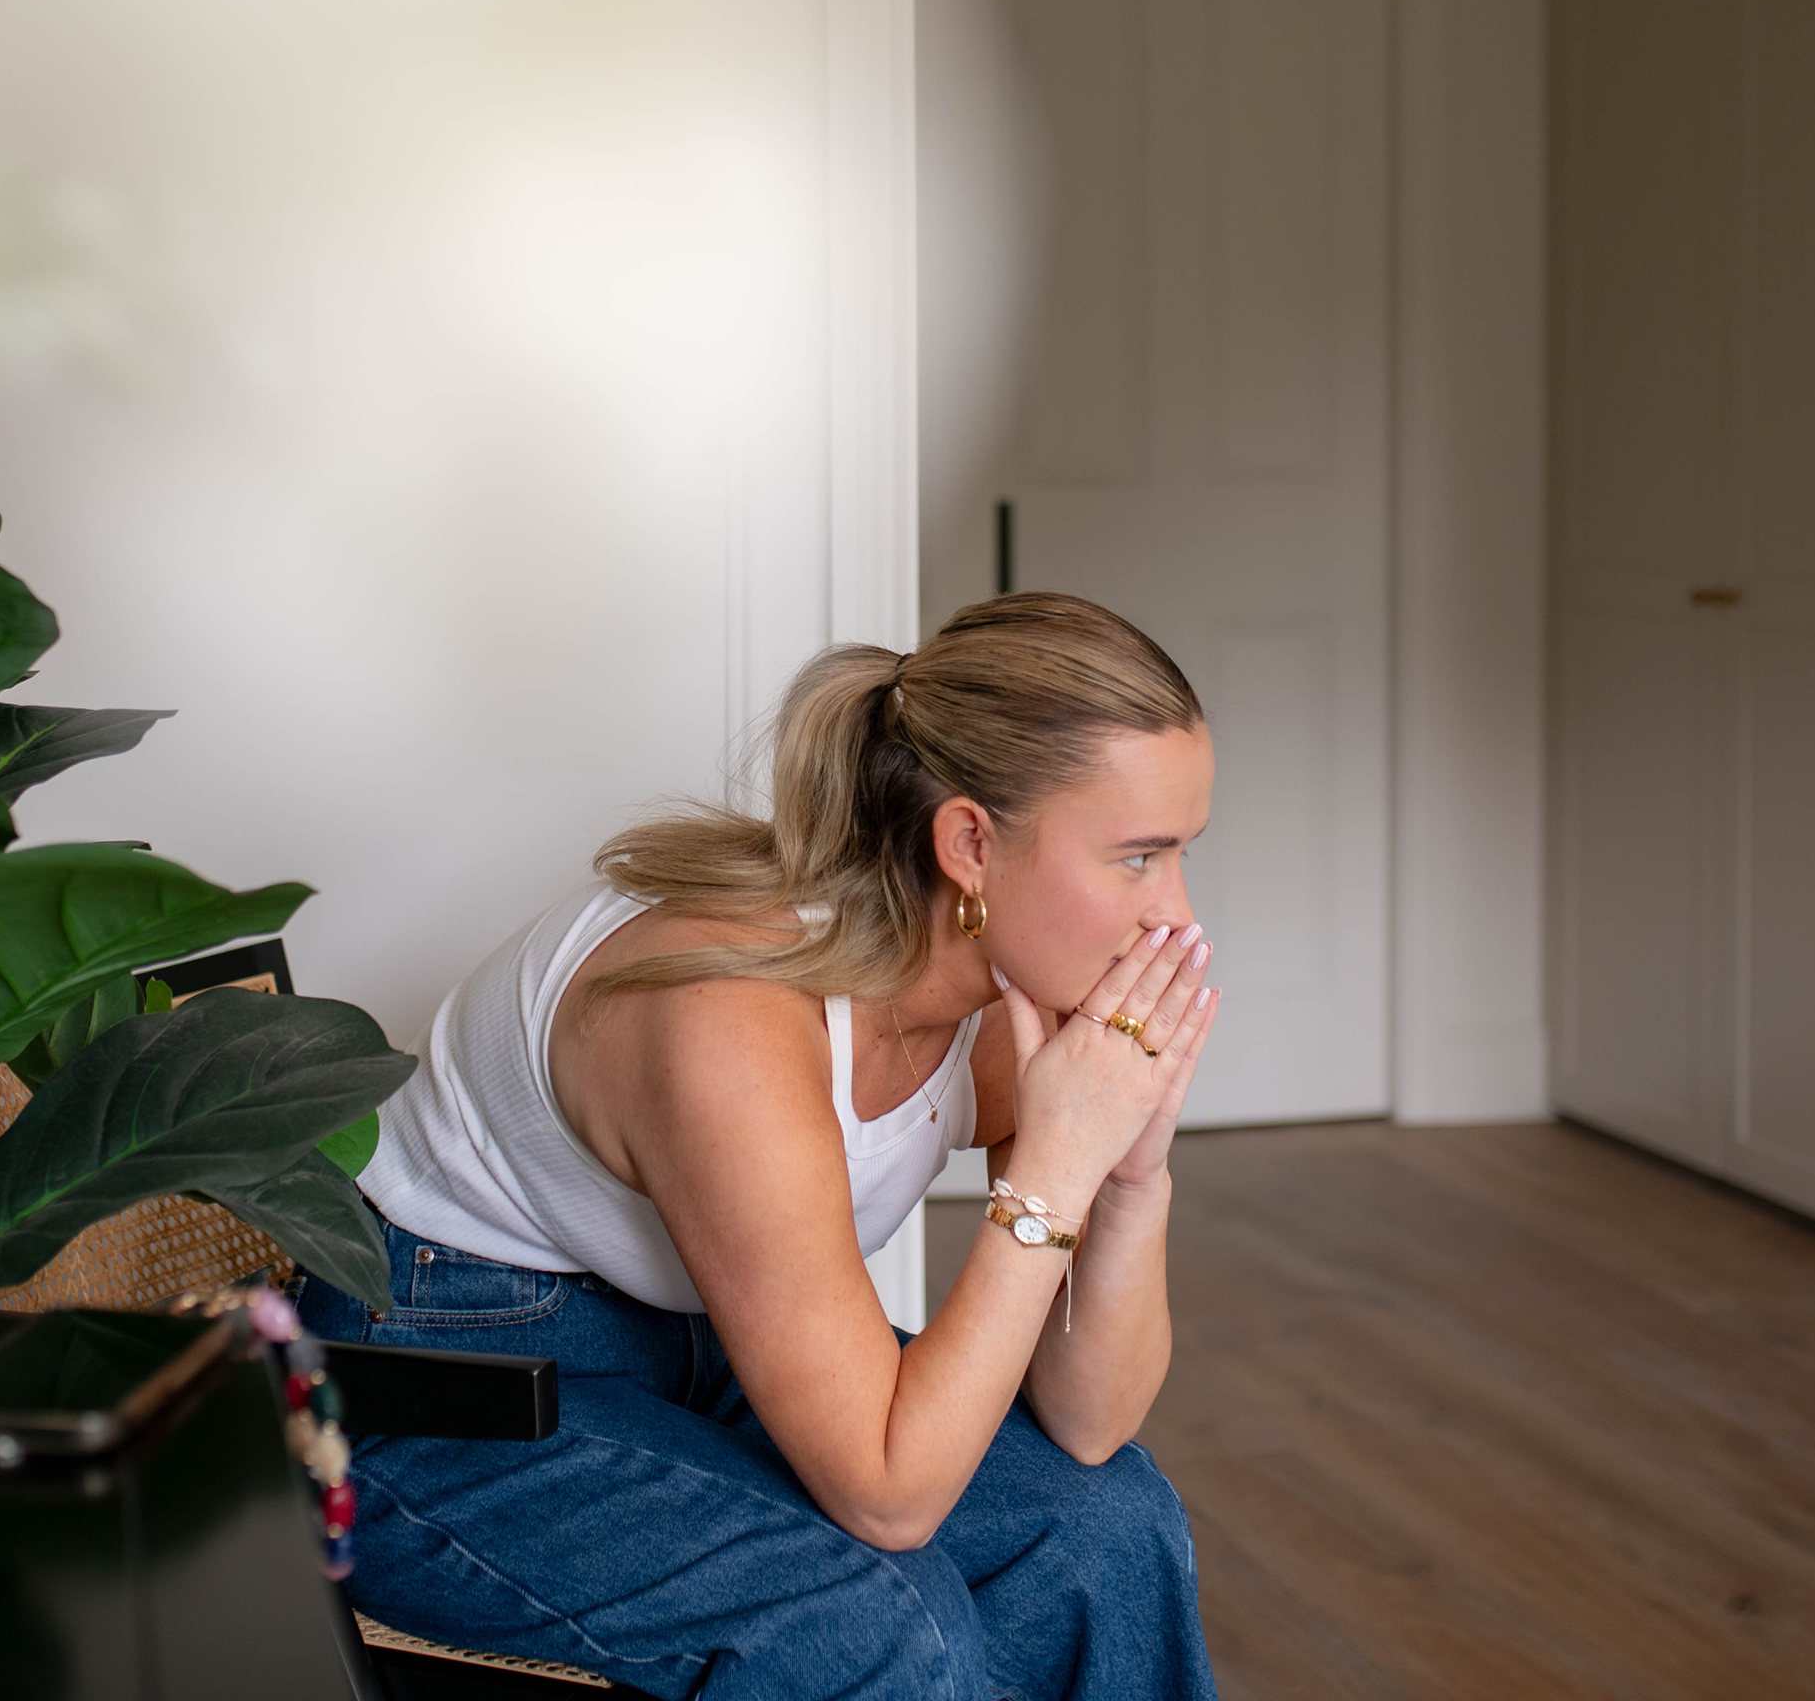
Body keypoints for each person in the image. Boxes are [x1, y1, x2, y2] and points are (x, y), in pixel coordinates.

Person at [301, 591, 1223, 1700]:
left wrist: (1129, 1170)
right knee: (876, 1627)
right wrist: (1055, 1164)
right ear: (971, 843)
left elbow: (1088, 1424)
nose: (1174, 917)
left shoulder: (1005, 1004)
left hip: (693, 1347)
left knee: (1106, 1527)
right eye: (1137, 857)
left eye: (1181, 854)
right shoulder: (730, 1015)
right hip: (435, 1379)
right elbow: (890, 1496)